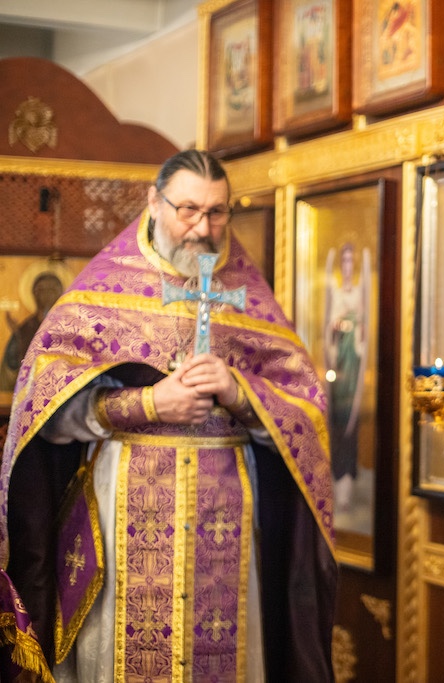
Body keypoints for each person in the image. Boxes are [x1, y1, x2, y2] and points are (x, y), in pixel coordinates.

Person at [0, 149, 337, 682]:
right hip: (127, 508)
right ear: (154, 202)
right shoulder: (102, 291)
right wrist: (150, 404)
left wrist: (239, 392)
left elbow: (306, 417)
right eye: (188, 210)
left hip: (226, 516)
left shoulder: (247, 297)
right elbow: (43, 411)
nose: (202, 229)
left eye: (217, 212)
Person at [324, 242, 368, 514]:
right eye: (345, 261)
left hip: (355, 369)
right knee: (339, 421)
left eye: (352, 261)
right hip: (339, 368)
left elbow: (364, 327)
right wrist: (338, 325)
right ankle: (337, 475)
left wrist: (355, 326)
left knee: (352, 421)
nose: (349, 266)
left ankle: (348, 478)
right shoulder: (338, 294)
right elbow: (330, 328)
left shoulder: (360, 293)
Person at [0, 271, 64, 391]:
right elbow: (10, 370)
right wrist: (18, 336)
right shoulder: (24, 329)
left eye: (52, 290)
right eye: (42, 290)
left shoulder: (68, 325)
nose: (47, 294)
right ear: (34, 294)